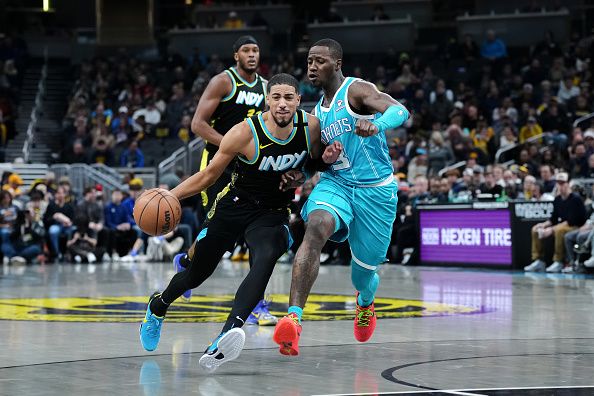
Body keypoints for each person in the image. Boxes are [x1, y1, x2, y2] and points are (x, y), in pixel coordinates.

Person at [139, 74, 329, 372]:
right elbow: (208, 176)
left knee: (265, 258)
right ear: (267, 99)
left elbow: (317, 162)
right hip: (234, 206)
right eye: (276, 97)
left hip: (273, 211)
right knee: (196, 275)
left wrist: (303, 174)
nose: (282, 104)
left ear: (297, 100)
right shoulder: (244, 132)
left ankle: (227, 332)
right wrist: (170, 196)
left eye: (288, 98)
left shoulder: (311, 127)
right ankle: (158, 305)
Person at [272, 39, 409, 356]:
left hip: (375, 191)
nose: (311, 67)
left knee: (362, 275)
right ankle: (294, 320)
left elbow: (400, 110)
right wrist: (302, 175)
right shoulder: (316, 115)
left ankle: (364, 302)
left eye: (319, 60)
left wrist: (376, 123)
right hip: (337, 184)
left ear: (337, 63)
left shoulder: (356, 90)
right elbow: (318, 160)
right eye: (308, 61)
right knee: (316, 226)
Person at [180, 35, 270, 318]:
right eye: (246, 50)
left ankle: (258, 304)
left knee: (257, 233)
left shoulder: (267, 87)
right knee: (214, 231)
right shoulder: (223, 81)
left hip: (249, 165)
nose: (252, 55)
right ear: (236, 56)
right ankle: (186, 263)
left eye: (255, 50)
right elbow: (198, 124)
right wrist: (230, 146)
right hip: (218, 162)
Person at [525, 172, 587, 273]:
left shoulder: (575, 199)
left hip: (576, 227)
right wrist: (543, 225)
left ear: (568, 184)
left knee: (559, 230)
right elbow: (553, 219)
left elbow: (571, 221)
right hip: (562, 225)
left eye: (562, 183)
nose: (560, 185)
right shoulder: (557, 199)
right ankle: (538, 260)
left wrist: (551, 229)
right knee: (535, 229)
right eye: (558, 183)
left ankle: (558, 261)